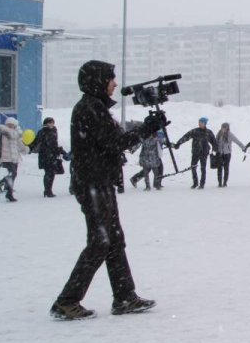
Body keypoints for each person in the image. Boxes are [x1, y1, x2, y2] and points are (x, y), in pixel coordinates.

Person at [50, 60, 165, 320]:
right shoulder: (90, 108)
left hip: (99, 182)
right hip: (92, 184)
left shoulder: (96, 107)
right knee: (101, 241)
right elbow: (115, 143)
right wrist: (147, 129)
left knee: (113, 239)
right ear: (97, 81)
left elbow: (113, 142)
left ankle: (125, 297)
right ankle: (67, 301)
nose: (114, 83)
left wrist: (144, 129)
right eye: (110, 79)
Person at [0, 117, 28, 202]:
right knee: (12, 174)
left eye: (12, 124)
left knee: (13, 174)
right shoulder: (2, 131)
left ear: (14, 125)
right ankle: (9, 194)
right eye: (9, 124)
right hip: (6, 157)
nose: (10, 126)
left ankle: (1, 186)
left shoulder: (16, 133)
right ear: (6, 124)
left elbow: (19, 144)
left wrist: (25, 149)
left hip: (15, 157)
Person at [174, 117, 218, 189]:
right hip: (195, 152)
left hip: (204, 153)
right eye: (199, 122)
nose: (199, 124)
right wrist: (178, 143)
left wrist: (215, 149)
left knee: (203, 169)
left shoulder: (209, 132)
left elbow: (214, 141)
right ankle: (195, 182)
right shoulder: (195, 131)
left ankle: (202, 183)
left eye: (201, 123)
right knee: (193, 167)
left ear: (205, 124)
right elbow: (186, 137)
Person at [32, 117, 67, 198]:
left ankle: (48, 190)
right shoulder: (42, 132)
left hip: (53, 155)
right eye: (50, 122)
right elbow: (36, 142)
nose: (51, 124)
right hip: (45, 155)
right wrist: (29, 147)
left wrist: (60, 150)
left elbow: (54, 144)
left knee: (52, 174)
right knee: (48, 173)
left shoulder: (54, 131)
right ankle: (47, 191)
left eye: (52, 122)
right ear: (46, 123)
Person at [214, 122, 246, 187]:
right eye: (223, 127)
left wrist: (243, 147)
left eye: (225, 127)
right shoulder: (219, 133)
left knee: (226, 168)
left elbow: (237, 141)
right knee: (219, 168)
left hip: (227, 154)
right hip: (219, 153)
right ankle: (219, 183)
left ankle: (225, 182)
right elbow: (214, 142)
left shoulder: (230, 134)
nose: (224, 129)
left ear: (228, 128)